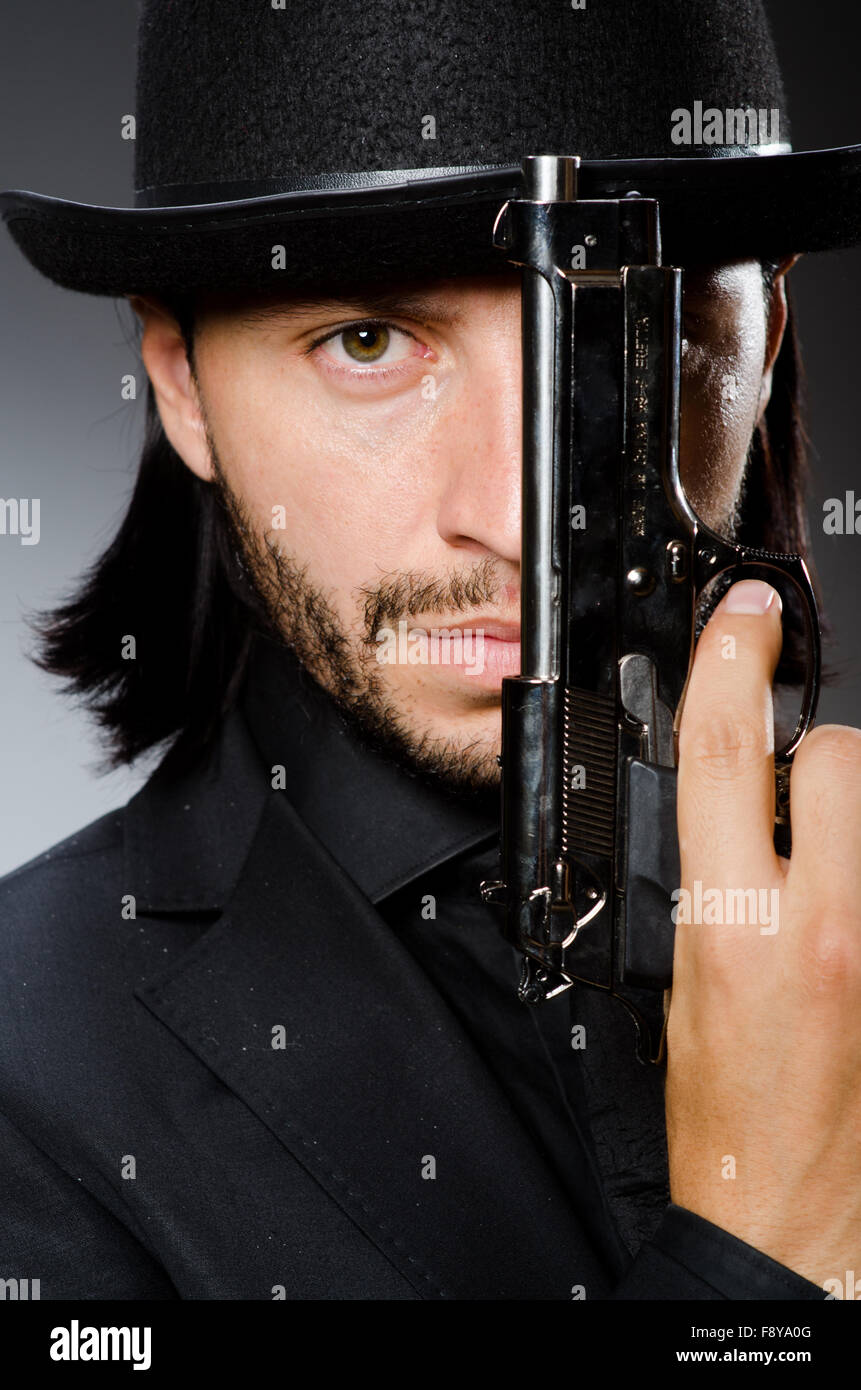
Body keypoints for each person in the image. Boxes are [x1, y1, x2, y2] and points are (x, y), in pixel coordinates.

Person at [1, 0, 859, 1301]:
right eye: (368, 341)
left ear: (764, 333)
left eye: (624, 335)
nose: (521, 514)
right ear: (180, 379)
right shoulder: (26, 1075)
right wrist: (762, 1264)